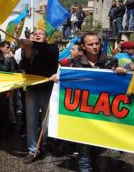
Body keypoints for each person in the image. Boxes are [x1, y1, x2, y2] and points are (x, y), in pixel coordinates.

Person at [51, 32, 118, 172]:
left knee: (97, 147)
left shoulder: (111, 62)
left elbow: (116, 85)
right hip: (82, 113)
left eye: (97, 43)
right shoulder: (74, 64)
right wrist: (59, 77)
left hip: (102, 114)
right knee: (84, 152)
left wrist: (121, 73)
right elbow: (68, 79)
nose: (94, 46)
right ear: (83, 46)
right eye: (90, 44)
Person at [17, 29, 59, 163]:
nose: (37, 35)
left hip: (47, 91)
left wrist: (30, 43)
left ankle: (42, 144)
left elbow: (48, 52)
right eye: (35, 34)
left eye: (41, 33)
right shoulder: (29, 49)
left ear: (46, 37)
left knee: (46, 125)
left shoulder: (52, 47)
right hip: (32, 91)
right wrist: (28, 52)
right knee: (31, 122)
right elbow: (22, 66)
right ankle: (33, 150)